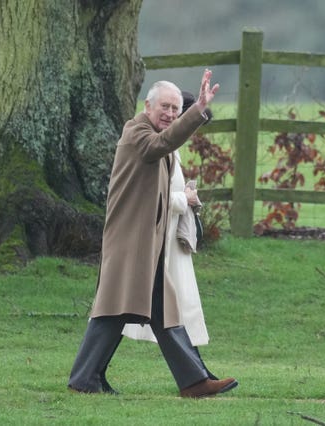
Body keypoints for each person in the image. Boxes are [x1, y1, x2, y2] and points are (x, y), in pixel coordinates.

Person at [68, 69, 238, 398]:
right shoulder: (137, 133)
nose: (171, 114)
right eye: (166, 107)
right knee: (113, 311)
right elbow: (160, 145)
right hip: (130, 242)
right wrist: (197, 110)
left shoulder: (153, 136)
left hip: (146, 245)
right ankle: (85, 378)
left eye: (177, 108)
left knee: (160, 311)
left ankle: (191, 381)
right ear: (148, 105)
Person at [120, 90, 216, 379]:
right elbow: (151, 195)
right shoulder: (151, 142)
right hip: (159, 241)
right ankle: (197, 376)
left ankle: (197, 375)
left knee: (173, 311)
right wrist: (183, 200)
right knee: (170, 310)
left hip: (170, 240)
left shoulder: (170, 148)